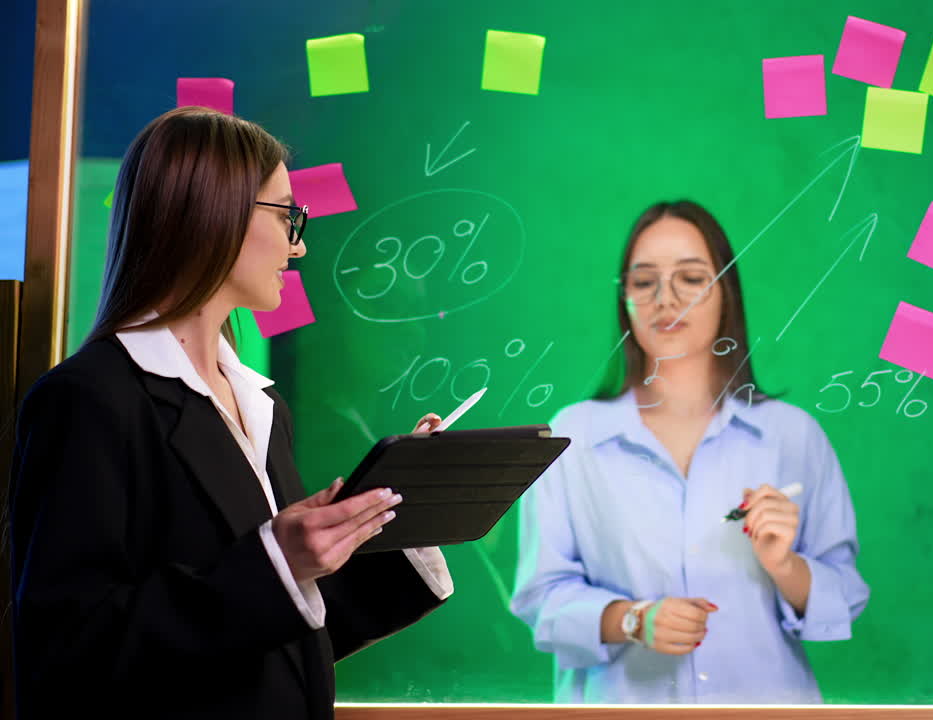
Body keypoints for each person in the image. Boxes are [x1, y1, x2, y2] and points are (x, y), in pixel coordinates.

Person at [7, 107, 452, 719]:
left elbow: (282, 643)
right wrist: (277, 562)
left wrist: (403, 523)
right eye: (287, 214)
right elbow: (65, 654)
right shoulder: (88, 400)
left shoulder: (260, 404)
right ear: (211, 215)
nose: (299, 244)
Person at [510, 200, 869, 704]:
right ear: (625, 299)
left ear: (725, 294)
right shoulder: (573, 437)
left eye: (692, 278)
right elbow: (541, 598)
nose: (665, 298)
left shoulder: (792, 435)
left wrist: (784, 564)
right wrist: (631, 619)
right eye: (643, 281)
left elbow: (846, 596)